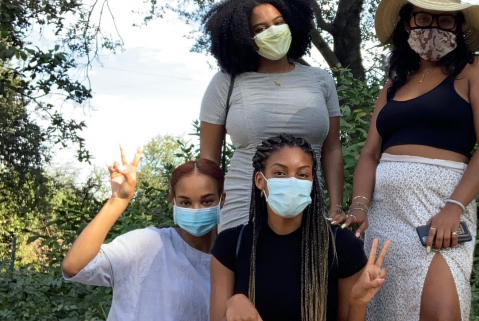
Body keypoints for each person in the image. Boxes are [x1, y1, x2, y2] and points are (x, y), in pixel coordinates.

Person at [334, 0, 479, 319]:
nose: (434, 27)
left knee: (442, 312)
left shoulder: (474, 70)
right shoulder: (393, 86)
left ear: (458, 27)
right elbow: (370, 153)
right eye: (424, 17)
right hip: (385, 213)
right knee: (383, 307)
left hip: (443, 208)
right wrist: (359, 206)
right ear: (407, 23)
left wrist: (455, 207)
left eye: (445, 21)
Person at [209, 134, 391, 321]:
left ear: (312, 183)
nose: (292, 182)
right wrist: (233, 305)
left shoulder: (341, 245)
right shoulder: (230, 245)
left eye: (302, 175)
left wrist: (358, 302)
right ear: (259, 180)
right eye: (280, 173)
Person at [199, 0, 344, 231]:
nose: (273, 32)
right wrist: (206, 213)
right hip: (242, 208)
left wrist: (336, 207)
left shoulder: (321, 80)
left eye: (278, 23)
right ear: (242, 36)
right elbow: (208, 160)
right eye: (260, 29)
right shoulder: (225, 82)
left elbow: (332, 148)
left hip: (308, 206)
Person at [61, 147, 225, 321]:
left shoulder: (228, 265)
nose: (196, 210)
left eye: (207, 201)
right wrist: (118, 201)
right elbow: (74, 266)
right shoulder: (148, 244)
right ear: (173, 201)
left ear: (222, 199)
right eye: (185, 202)